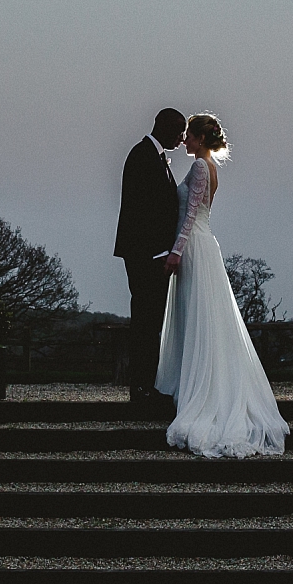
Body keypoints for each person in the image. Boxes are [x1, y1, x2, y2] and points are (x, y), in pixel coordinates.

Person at [155, 113, 289, 457]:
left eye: (189, 135)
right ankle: (195, 382)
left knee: (202, 320)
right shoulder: (204, 165)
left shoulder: (201, 167)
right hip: (200, 244)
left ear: (200, 138)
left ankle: (204, 393)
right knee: (201, 319)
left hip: (195, 247)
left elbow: (190, 215)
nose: (184, 140)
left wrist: (176, 251)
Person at [113, 108, 186, 407]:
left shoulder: (153, 157)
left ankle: (146, 385)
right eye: (179, 131)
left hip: (149, 254)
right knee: (145, 321)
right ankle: (140, 388)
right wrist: (159, 252)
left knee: (150, 320)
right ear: (165, 128)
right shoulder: (142, 156)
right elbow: (142, 210)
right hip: (145, 256)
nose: (182, 139)